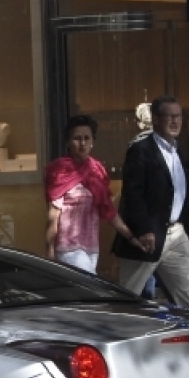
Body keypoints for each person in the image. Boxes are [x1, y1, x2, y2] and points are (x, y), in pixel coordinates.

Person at [111, 96, 189, 311]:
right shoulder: (141, 149)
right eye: (169, 116)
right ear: (155, 119)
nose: (175, 121)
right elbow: (133, 193)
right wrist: (144, 229)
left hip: (175, 234)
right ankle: (117, 334)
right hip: (148, 236)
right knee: (129, 293)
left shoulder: (178, 150)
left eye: (178, 116)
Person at [44, 115, 139, 274]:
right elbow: (53, 215)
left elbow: (108, 211)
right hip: (68, 247)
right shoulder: (59, 170)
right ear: (67, 141)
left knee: (81, 295)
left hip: (91, 248)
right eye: (77, 138)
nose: (82, 143)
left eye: (87, 138)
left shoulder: (97, 170)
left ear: (93, 141)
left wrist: (131, 237)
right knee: (92, 287)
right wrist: (49, 250)